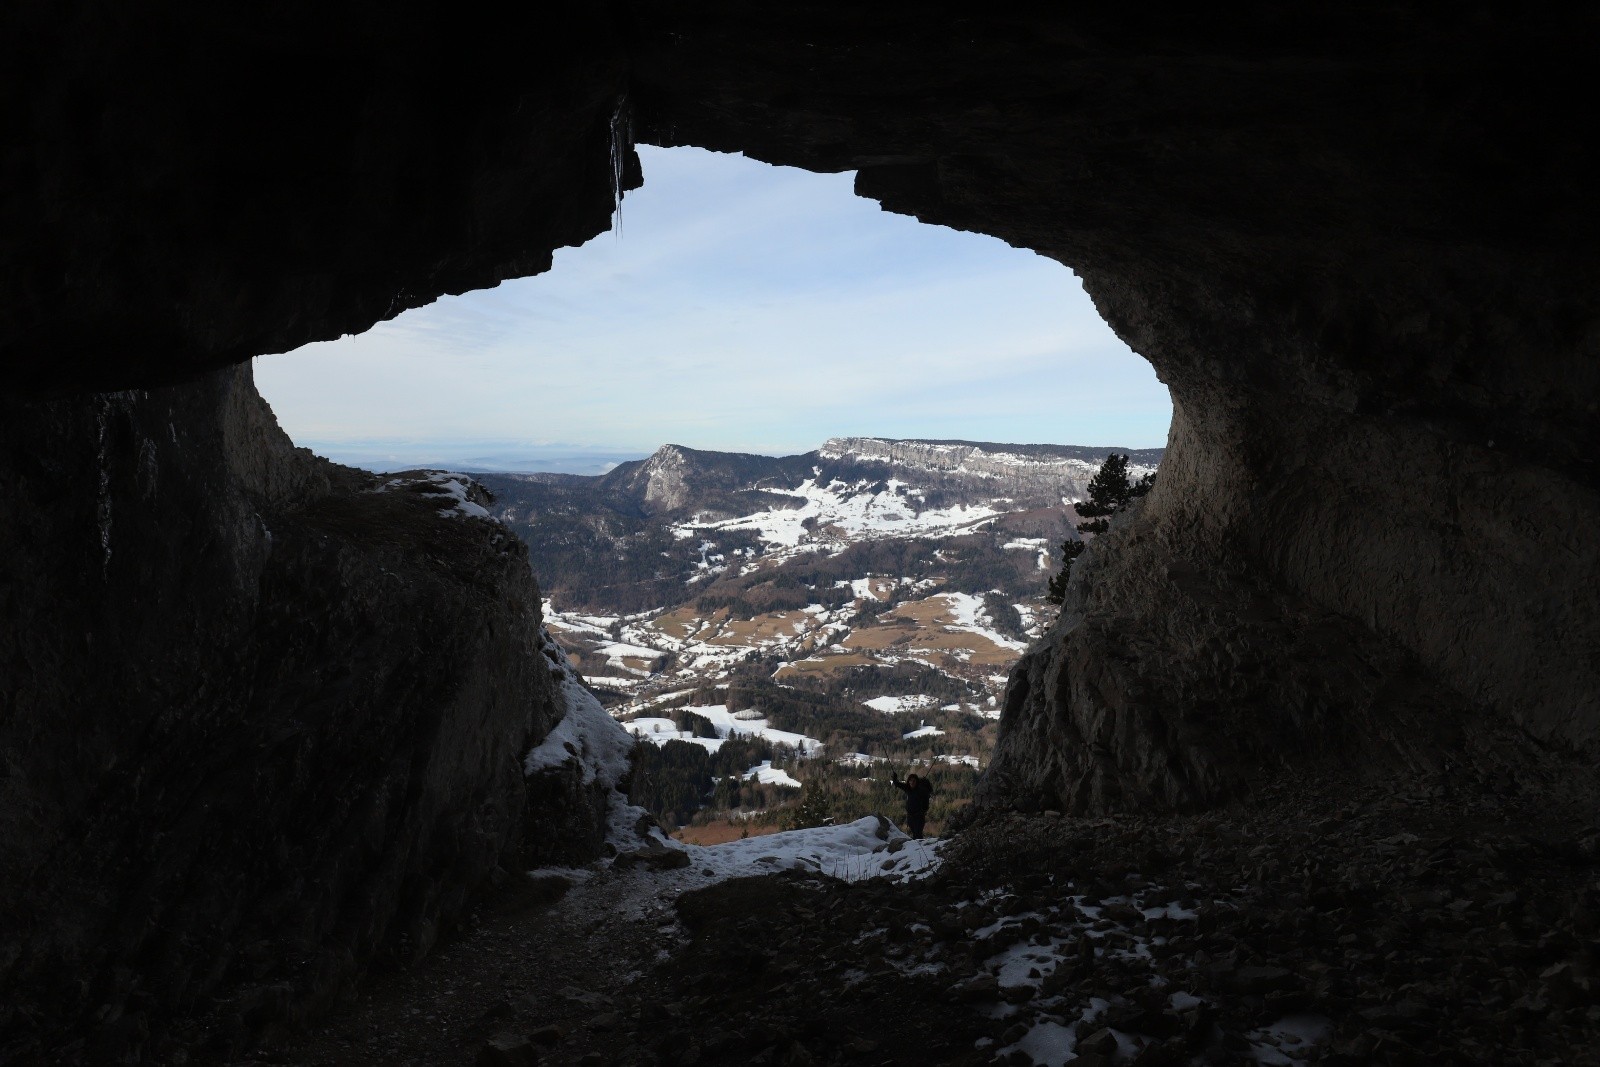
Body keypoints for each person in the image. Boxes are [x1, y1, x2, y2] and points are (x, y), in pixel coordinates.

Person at [890, 771, 933, 840]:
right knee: (915, 833)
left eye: (913, 781)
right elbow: (898, 784)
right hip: (910, 816)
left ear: (916, 781)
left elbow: (927, 799)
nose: (912, 782)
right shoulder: (908, 789)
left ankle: (918, 848)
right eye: (910, 780)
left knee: (918, 834)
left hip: (919, 816)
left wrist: (923, 811)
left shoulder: (921, 790)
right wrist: (895, 778)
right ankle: (917, 848)